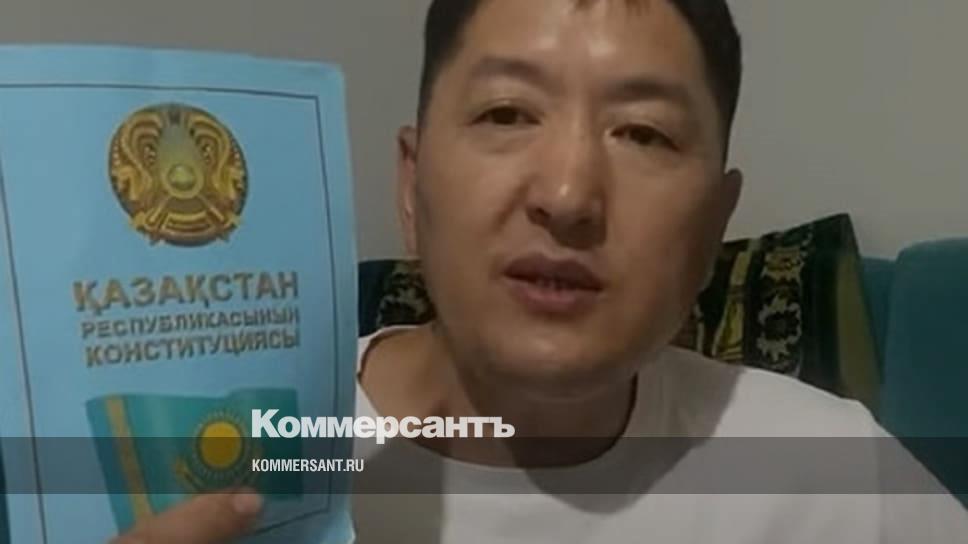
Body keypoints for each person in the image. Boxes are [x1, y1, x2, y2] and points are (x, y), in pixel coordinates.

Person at [113, 0, 968, 542]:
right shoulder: (223, 463)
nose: (567, 194)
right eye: (506, 113)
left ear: (714, 223)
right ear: (411, 185)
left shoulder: (830, 477)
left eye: (643, 133)